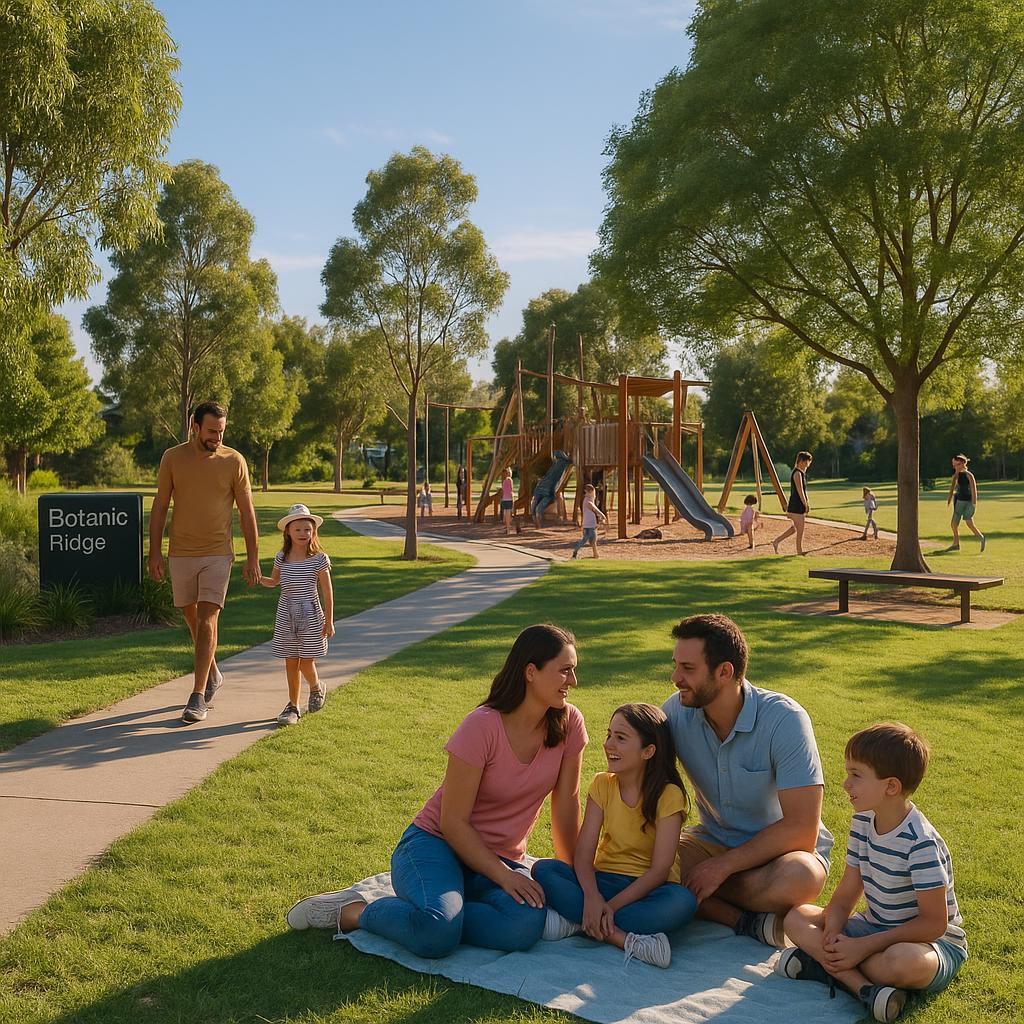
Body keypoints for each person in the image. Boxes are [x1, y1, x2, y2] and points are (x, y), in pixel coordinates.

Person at [286, 624, 588, 957]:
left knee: (526, 923)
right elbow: (453, 823)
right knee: (437, 935)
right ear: (531, 672)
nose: (573, 681)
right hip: (435, 845)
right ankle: (354, 911)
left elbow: (567, 806)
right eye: (565, 671)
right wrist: (504, 877)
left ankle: (441, 911)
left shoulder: (569, 724)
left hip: (499, 858)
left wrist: (576, 878)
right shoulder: (482, 725)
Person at [663, 614, 833, 948]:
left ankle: (699, 897)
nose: (675, 678)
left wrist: (721, 869)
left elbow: (801, 828)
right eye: (676, 666)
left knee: (801, 878)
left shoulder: (785, 719)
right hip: (710, 842)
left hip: (779, 854)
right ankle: (744, 920)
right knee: (642, 862)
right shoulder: (675, 713)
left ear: (724, 672)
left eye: (688, 668)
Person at [778, 724, 966, 1023]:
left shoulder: (921, 843)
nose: (845, 784)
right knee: (795, 918)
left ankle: (821, 965)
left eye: (856, 775)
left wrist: (860, 947)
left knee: (901, 964)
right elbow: (845, 895)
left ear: (891, 786)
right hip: (875, 928)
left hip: (930, 944)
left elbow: (933, 924)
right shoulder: (863, 821)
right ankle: (863, 988)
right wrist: (832, 935)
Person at [532, 703, 697, 968]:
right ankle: (622, 938)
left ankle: (578, 922)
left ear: (648, 751)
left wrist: (609, 907)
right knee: (544, 869)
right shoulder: (602, 784)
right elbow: (584, 855)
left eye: (620, 738)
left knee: (683, 903)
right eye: (609, 735)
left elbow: (659, 870)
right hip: (603, 881)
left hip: (649, 890)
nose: (609, 744)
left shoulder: (669, 796)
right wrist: (593, 897)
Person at [148, 401, 261, 724]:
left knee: (207, 620)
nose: (217, 437)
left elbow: (247, 512)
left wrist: (252, 556)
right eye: (212, 431)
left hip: (217, 552)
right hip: (181, 551)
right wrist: (154, 552)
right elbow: (160, 507)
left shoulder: (233, 461)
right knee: (190, 614)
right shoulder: (172, 458)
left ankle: (198, 695)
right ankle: (212, 671)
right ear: (194, 426)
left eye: (221, 431)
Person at [260, 504, 335, 726]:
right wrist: (257, 577)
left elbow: (327, 592)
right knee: (291, 661)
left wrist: (329, 621)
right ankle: (293, 706)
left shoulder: (319, 559)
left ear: (313, 532)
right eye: (298, 530)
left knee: (305, 662)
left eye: (307, 530)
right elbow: (274, 582)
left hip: (311, 614)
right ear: (288, 532)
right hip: (286, 613)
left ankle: (316, 686)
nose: (303, 534)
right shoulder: (281, 557)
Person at [773, 451, 813, 555]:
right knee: (800, 530)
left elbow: (804, 491)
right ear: (802, 461)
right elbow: (800, 491)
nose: (808, 465)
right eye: (808, 462)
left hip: (798, 505)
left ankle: (776, 541)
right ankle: (799, 552)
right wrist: (805, 504)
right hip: (796, 506)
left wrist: (806, 501)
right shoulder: (797, 473)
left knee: (794, 528)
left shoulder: (801, 473)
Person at [946, 455, 984, 552]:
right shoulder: (957, 475)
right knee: (954, 524)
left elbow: (973, 489)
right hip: (959, 501)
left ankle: (981, 538)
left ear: (963, 463)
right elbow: (953, 487)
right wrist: (949, 499)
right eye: (954, 465)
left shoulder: (969, 475)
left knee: (969, 522)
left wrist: (974, 504)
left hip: (967, 502)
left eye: (957, 464)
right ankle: (956, 544)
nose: (955, 467)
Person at [571, 483, 608, 559]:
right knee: (586, 540)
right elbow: (594, 509)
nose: (593, 494)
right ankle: (575, 552)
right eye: (592, 492)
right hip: (589, 525)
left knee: (593, 541)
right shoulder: (588, 501)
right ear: (588, 492)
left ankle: (595, 555)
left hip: (590, 525)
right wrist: (602, 515)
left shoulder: (588, 500)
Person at [500, 467, 516, 535]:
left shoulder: (504, 481)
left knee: (506, 514)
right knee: (508, 515)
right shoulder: (510, 480)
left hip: (504, 499)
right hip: (509, 499)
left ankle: (507, 528)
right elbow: (511, 491)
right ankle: (508, 529)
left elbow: (504, 491)